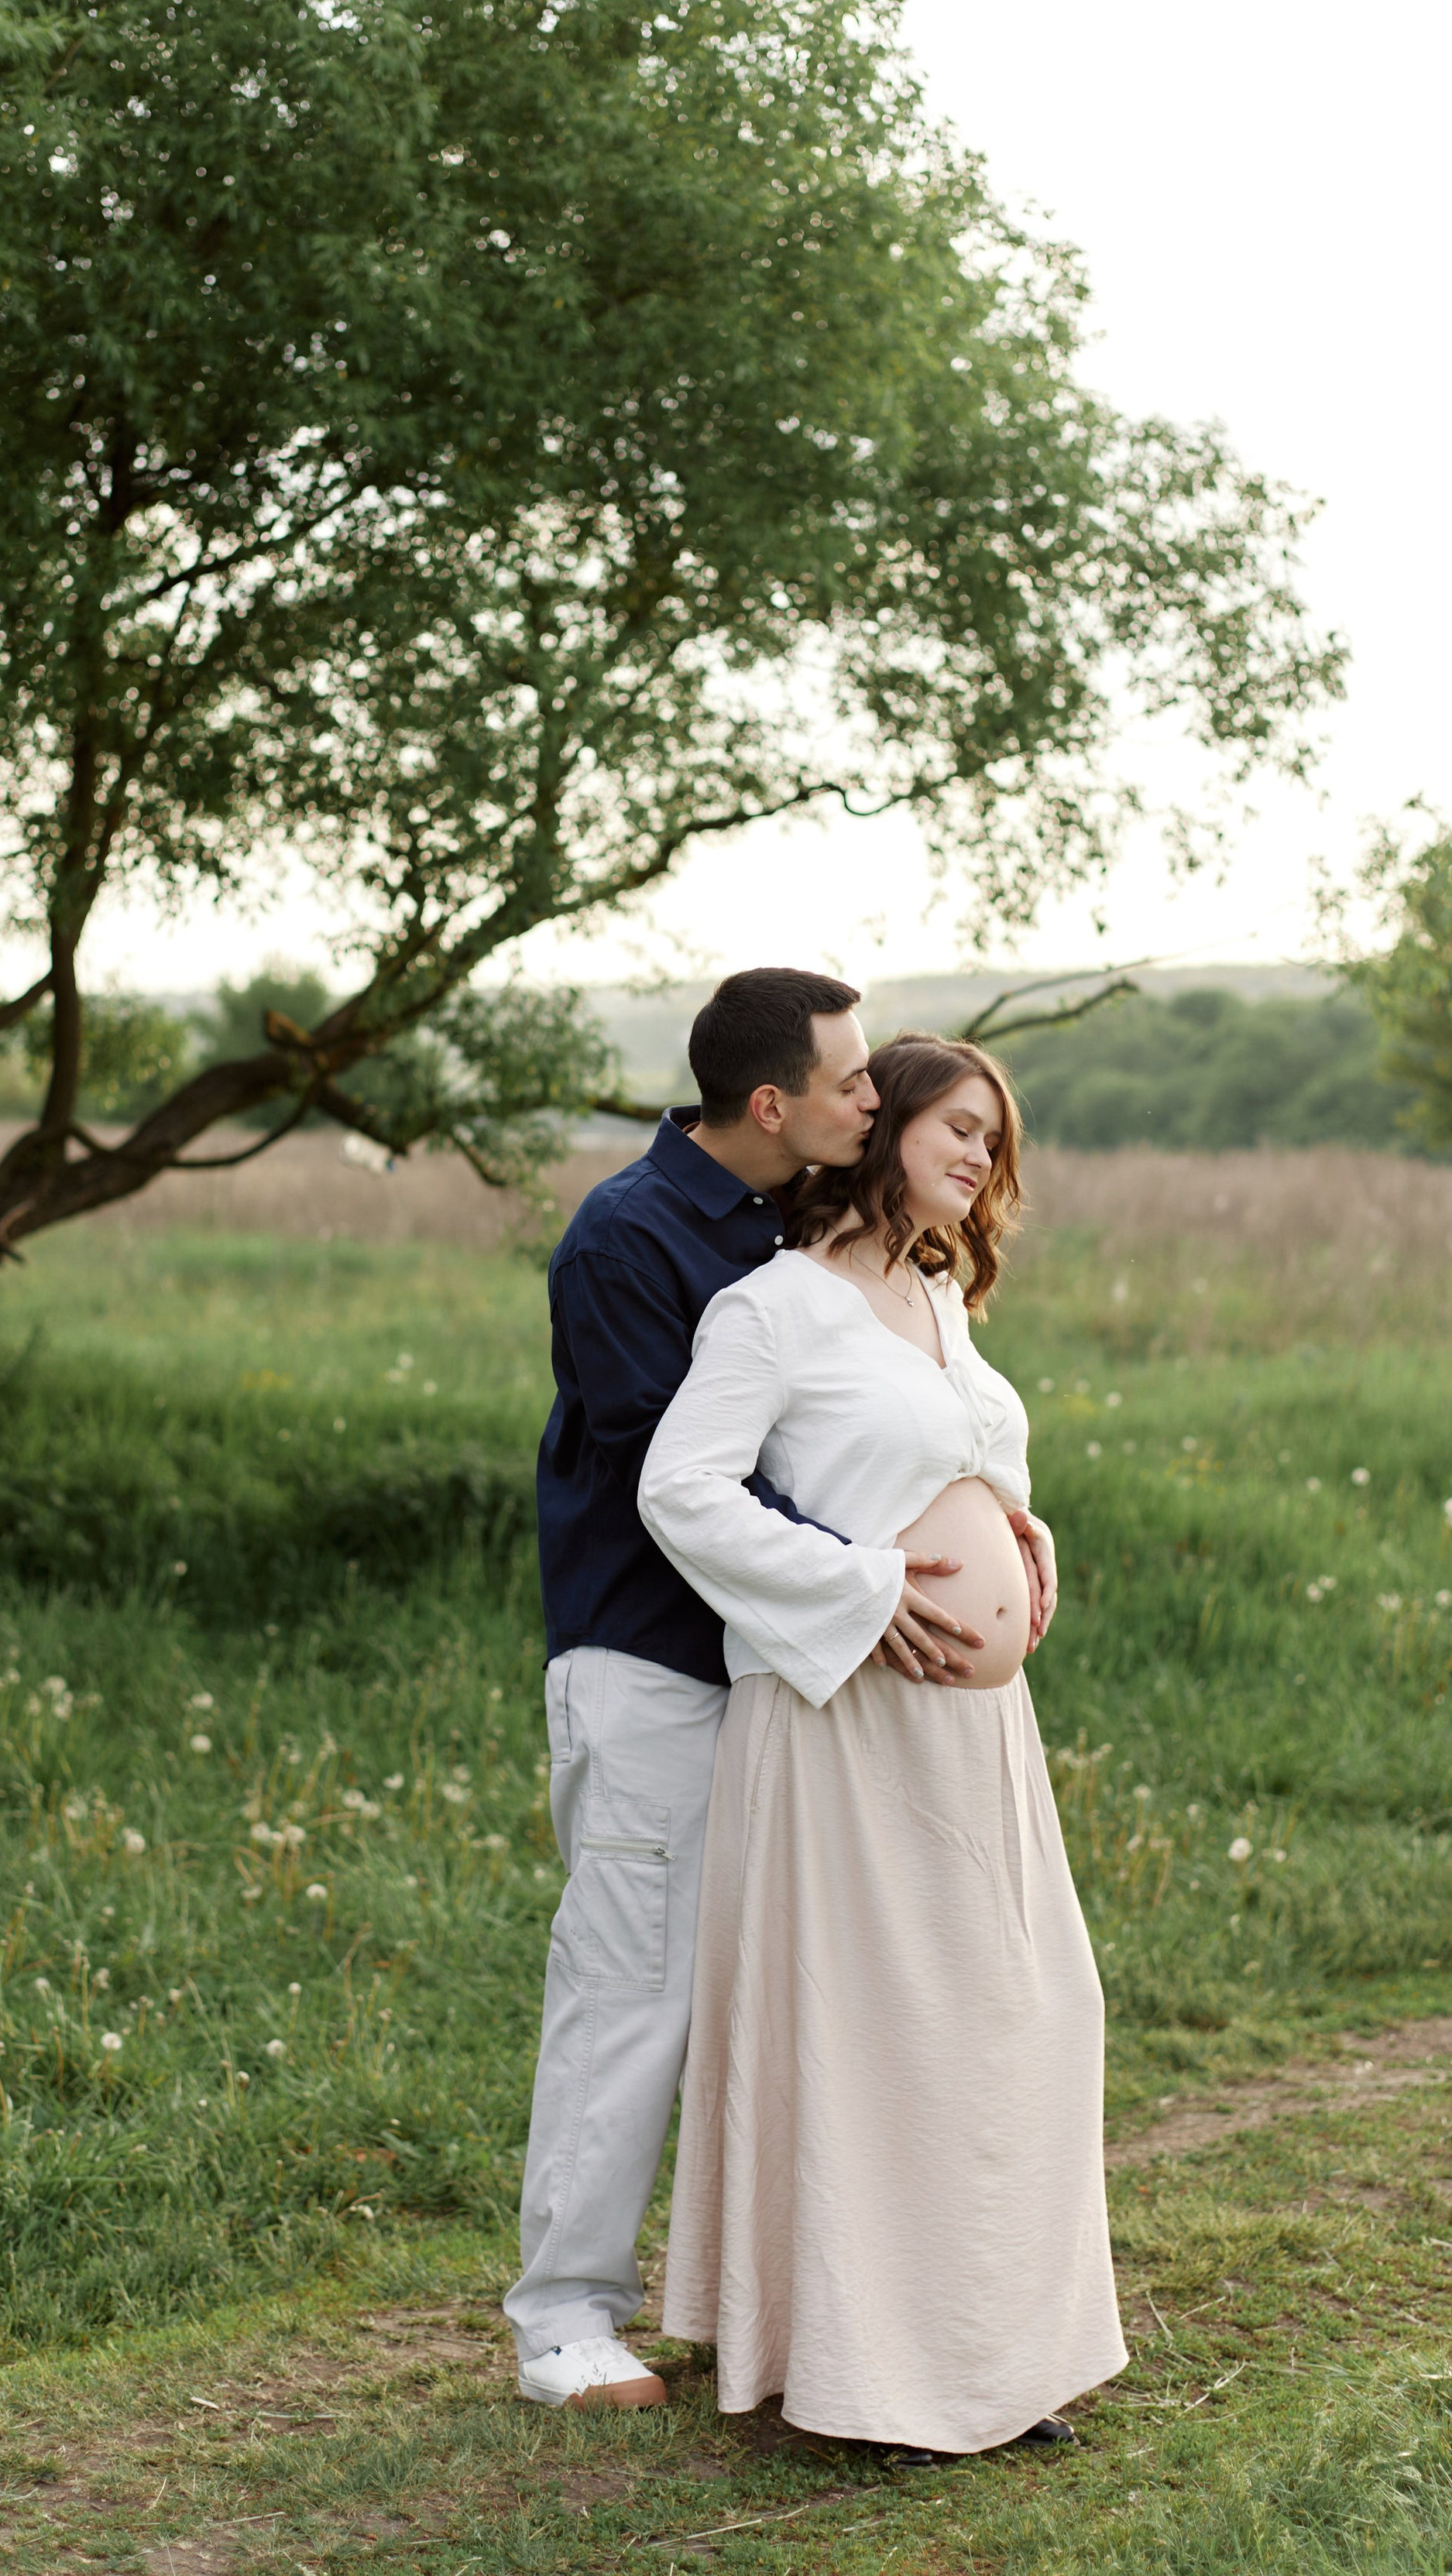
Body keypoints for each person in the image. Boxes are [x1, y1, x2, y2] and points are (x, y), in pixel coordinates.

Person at [505, 972, 1059, 2413]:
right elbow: (675, 1478)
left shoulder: (799, 1219)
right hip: (653, 1659)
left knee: (810, 2001)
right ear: (775, 1104)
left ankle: (820, 2304)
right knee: (639, 1979)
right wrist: (880, 1580)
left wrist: (988, 1523)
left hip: (805, 1684)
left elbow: (883, 1420)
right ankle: (565, 2317)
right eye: (852, 1082)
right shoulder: (627, 1241)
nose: (871, 1100)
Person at [637, 1031, 1124, 2458]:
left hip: (976, 1737)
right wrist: (856, 1589)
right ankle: (878, 2380)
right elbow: (683, 1491)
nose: (982, 1156)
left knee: (1021, 2018)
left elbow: (952, 1462)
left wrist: (1017, 1527)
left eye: (997, 1140)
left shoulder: (933, 1299)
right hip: (847, 1718)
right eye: (960, 1126)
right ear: (886, 1122)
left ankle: (993, 2357)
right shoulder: (773, 1310)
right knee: (882, 2042)